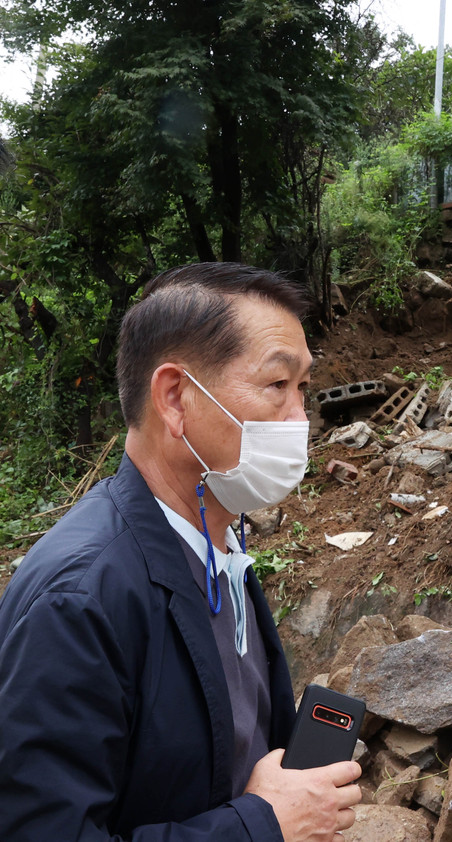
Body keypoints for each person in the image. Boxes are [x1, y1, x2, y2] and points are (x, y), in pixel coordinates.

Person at [0, 263, 361, 841]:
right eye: (277, 386)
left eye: (304, 390)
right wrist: (261, 827)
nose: (301, 420)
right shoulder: (79, 598)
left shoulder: (218, 548)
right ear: (175, 398)